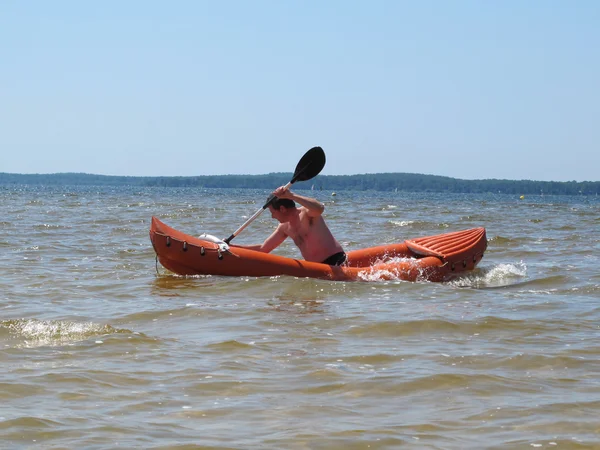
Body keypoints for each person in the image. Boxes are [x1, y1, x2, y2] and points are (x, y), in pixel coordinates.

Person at [232, 185, 346, 265]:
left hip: (337, 261)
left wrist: (291, 196)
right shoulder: (284, 228)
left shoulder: (307, 214)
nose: (272, 217)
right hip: (316, 268)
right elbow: (263, 249)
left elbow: (320, 207)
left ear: (282, 209)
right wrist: (231, 247)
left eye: (273, 213)